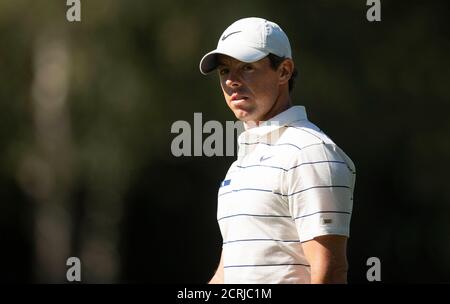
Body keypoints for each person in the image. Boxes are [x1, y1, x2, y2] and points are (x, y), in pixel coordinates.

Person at [199, 17, 356, 284]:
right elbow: (230, 271)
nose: (232, 81)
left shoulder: (310, 153)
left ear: (284, 71)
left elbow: (330, 270)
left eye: (246, 67)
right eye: (225, 71)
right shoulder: (239, 167)